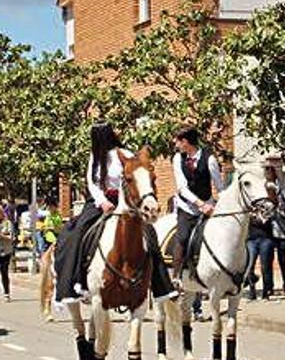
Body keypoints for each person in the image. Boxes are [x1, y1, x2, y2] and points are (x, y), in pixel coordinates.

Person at [54, 121, 174, 303]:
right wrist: (102, 201)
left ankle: (161, 285)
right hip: (99, 202)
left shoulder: (125, 154)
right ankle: (76, 283)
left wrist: (125, 202)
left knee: (149, 234)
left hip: (126, 202)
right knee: (77, 232)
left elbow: (135, 178)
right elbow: (92, 183)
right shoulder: (94, 158)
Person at [170, 127, 225, 280]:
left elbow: (219, 187)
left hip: (208, 206)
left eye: (178, 142)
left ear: (185, 142)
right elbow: (182, 188)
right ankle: (176, 277)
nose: (176, 145)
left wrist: (220, 205)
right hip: (186, 207)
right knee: (182, 237)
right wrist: (201, 205)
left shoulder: (210, 159)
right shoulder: (177, 159)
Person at [264, 162, 285, 295]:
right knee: (267, 262)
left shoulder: (282, 199)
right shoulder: (263, 200)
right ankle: (269, 287)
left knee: (283, 261)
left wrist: (281, 207)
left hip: (282, 234)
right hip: (268, 234)